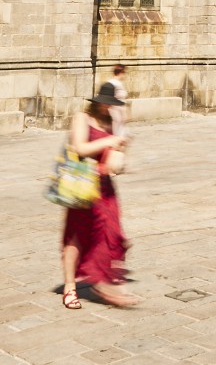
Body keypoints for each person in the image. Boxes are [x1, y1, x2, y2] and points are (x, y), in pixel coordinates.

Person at [60, 82, 134, 309]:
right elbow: (79, 148)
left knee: (110, 233)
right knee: (76, 236)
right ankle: (69, 287)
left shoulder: (110, 121)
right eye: (105, 104)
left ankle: (101, 281)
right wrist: (109, 141)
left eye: (110, 105)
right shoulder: (82, 118)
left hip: (104, 186)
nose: (107, 108)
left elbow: (108, 155)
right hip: (81, 185)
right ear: (97, 101)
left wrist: (119, 152)